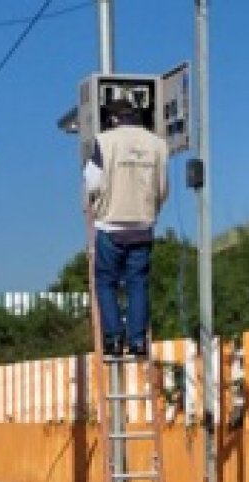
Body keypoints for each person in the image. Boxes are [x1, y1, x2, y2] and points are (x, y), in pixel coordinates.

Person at [82, 98, 170, 358]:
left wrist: (94, 204)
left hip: (111, 223)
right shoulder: (158, 145)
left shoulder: (105, 141)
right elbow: (163, 188)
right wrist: (150, 210)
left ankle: (113, 340)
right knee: (137, 284)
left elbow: (92, 182)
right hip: (143, 224)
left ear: (113, 118)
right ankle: (137, 341)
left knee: (106, 283)